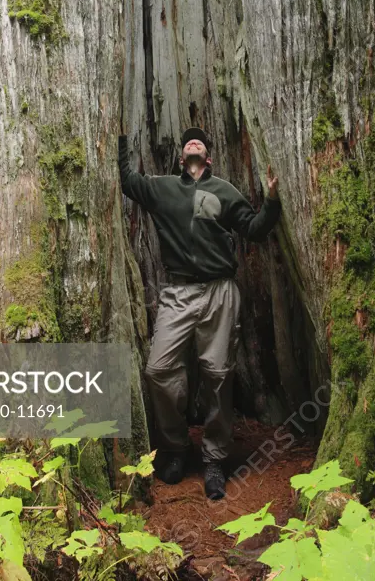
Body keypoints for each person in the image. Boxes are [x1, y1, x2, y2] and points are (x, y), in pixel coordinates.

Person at [118, 126, 281, 499]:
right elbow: (127, 180)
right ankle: (176, 448)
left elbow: (254, 229)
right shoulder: (162, 188)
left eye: (201, 141)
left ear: (208, 157)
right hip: (178, 291)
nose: (193, 141)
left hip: (220, 291)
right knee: (158, 369)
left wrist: (271, 200)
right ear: (181, 157)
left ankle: (214, 459)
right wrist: (121, 138)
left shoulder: (224, 191)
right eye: (187, 139)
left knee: (218, 374)